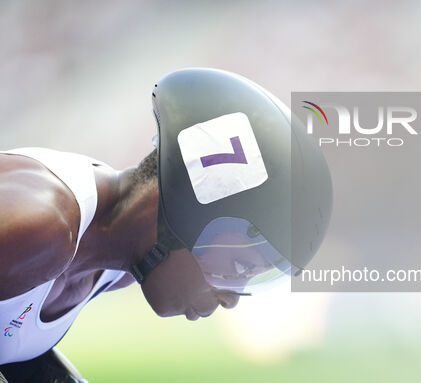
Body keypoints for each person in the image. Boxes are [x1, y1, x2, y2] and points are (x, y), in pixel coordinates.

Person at [0, 68, 333, 382]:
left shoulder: (116, 267)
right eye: (240, 264)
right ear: (186, 215)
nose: (231, 299)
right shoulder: (40, 228)